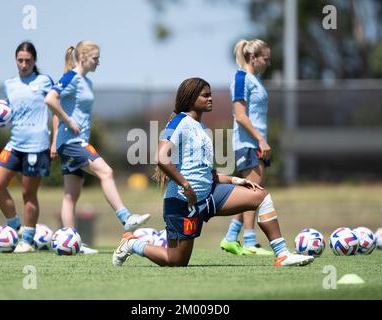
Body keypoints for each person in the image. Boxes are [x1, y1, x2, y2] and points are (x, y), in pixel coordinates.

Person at [112, 77, 314, 267]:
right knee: (176, 261)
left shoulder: (202, 127)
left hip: (210, 197)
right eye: (205, 95)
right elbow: (160, 157)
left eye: (210, 94)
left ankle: (282, 255)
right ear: (191, 99)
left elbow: (206, 173)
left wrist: (235, 180)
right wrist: (186, 186)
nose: (210, 99)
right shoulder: (177, 122)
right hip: (183, 202)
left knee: (260, 196)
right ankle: (131, 244)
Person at [44, 40, 150, 254]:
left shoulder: (86, 82)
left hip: (73, 142)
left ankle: (71, 243)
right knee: (107, 172)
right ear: (83, 58)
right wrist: (67, 123)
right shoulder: (71, 77)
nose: (98, 63)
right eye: (95, 58)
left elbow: (61, 105)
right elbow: (50, 100)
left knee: (70, 196)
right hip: (74, 143)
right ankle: (126, 217)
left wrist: (58, 135)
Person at [0, 41, 54, 253]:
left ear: (34, 61)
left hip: (37, 145)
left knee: (28, 194)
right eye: (20, 60)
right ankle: (15, 227)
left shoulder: (44, 81)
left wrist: (55, 141)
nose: (24, 64)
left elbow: (57, 108)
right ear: (16, 61)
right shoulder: (10, 84)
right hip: (15, 144)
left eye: (28, 60)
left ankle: (28, 240)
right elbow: (8, 111)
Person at [220, 39, 274, 256]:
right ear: (253, 57)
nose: (268, 63)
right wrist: (260, 140)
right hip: (248, 143)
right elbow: (240, 116)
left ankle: (231, 238)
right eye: (266, 59)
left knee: (250, 191)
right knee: (253, 193)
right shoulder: (241, 77)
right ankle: (250, 242)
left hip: (257, 143)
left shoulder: (256, 79)